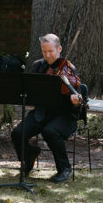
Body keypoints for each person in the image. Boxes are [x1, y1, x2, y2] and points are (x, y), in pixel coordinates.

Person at [10, 32, 84, 183]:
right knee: (17, 133)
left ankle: (64, 169)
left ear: (59, 49)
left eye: (50, 51)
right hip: (42, 113)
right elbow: (30, 91)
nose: (48, 55)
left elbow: (77, 99)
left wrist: (75, 101)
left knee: (50, 131)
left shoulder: (69, 69)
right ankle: (29, 156)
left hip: (64, 116)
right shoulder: (38, 66)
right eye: (44, 51)